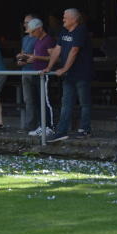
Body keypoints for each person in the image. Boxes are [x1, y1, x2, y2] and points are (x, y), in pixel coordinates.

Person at [44, 9, 93, 142]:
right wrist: (49, 67)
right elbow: (57, 49)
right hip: (69, 75)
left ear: (74, 19)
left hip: (82, 73)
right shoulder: (64, 31)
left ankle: (85, 130)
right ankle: (61, 132)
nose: (63, 19)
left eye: (65, 17)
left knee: (84, 103)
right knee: (66, 103)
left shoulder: (81, 30)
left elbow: (74, 50)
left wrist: (64, 68)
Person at [21, 18, 56, 136]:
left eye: (33, 32)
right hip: (37, 73)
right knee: (38, 102)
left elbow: (53, 57)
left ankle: (50, 127)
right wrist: (29, 57)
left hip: (45, 75)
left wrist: (36, 58)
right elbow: (38, 56)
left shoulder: (48, 40)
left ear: (40, 29)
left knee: (46, 102)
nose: (31, 35)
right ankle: (42, 126)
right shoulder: (37, 40)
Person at [16, 14, 38, 132]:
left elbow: (36, 56)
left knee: (38, 99)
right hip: (25, 71)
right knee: (28, 100)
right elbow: (22, 54)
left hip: (36, 71)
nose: (25, 25)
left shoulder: (38, 38)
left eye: (27, 22)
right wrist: (20, 59)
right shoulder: (25, 39)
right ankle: (30, 126)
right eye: (25, 22)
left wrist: (23, 57)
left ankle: (41, 125)